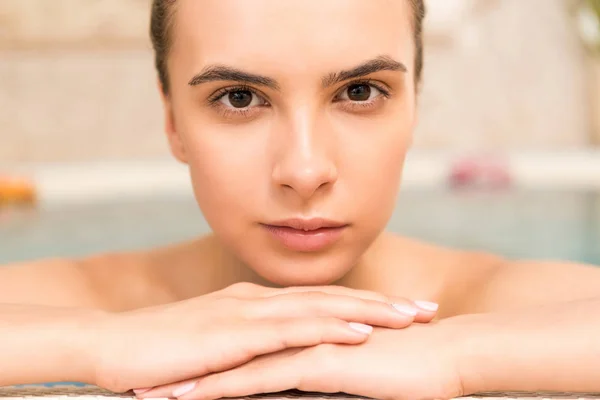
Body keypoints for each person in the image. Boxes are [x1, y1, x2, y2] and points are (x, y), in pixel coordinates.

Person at [2, 1, 600, 399]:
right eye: (239, 98)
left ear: (415, 102)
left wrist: (459, 353)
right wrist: (98, 343)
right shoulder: (98, 304)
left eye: (360, 91)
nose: (305, 170)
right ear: (173, 123)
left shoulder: (482, 305)